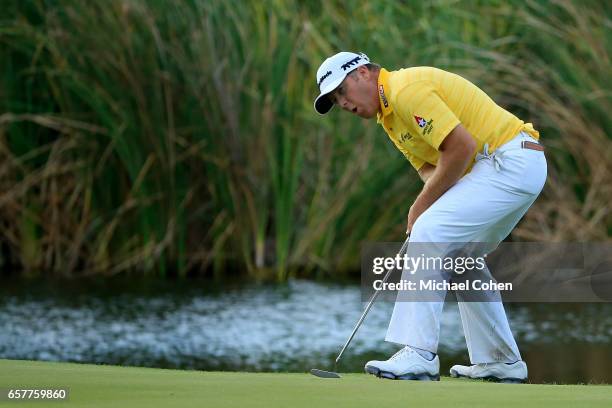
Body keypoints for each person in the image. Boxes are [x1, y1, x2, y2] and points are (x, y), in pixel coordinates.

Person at [313, 52, 547, 382]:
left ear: (363, 73)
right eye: (336, 101)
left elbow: (461, 147)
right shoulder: (389, 119)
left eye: (342, 92)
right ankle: (502, 362)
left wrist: (420, 209)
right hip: (511, 165)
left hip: (509, 160)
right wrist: (429, 204)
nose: (343, 104)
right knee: (459, 258)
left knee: (428, 229)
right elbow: (431, 171)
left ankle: (418, 353)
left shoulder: (405, 90)